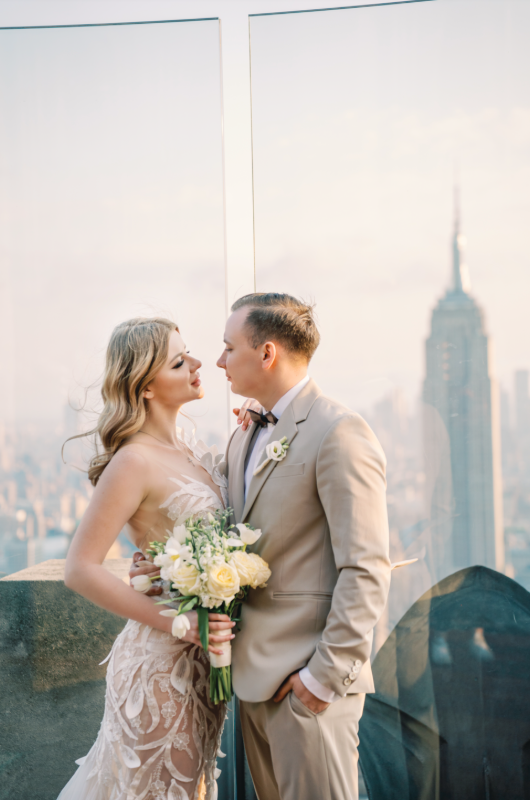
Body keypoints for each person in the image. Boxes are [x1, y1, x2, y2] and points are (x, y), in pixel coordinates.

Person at [57, 317, 255, 800]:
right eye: (178, 360)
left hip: (204, 661)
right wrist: (182, 626)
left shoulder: (189, 450)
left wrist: (254, 428)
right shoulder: (133, 460)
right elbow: (79, 569)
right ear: (146, 386)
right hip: (160, 670)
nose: (198, 363)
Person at [218, 293, 391, 800]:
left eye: (229, 347)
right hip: (254, 684)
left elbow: (367, 567)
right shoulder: (243, 433)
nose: (220, 360)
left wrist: (322, 680)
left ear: (266, 353)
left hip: (309, 686)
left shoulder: (339, 431)